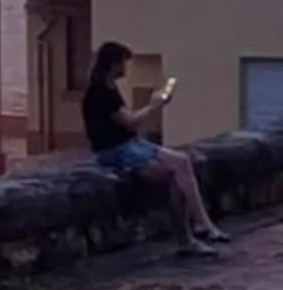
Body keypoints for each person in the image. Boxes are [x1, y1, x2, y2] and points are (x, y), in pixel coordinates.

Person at [82, 42, 226, 256]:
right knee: (178, 167)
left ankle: (192, 233)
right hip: (117, 151)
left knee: (179, 167)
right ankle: (199, 226)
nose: (125, 67)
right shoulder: (100, 92)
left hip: (129, 144)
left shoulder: (108, 88)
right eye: (123, 62)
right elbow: (130, 122)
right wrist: (154, 106)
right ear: (113, 64)